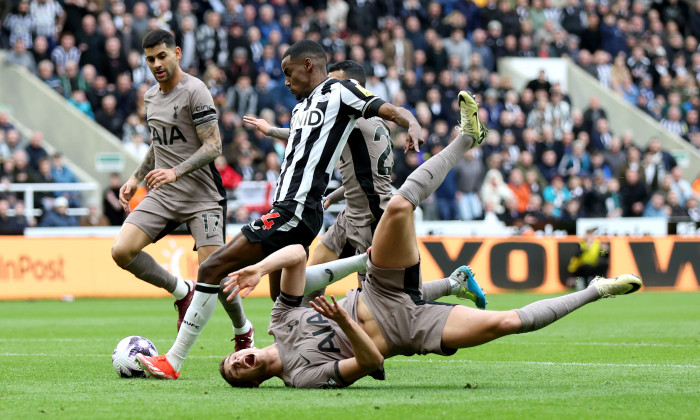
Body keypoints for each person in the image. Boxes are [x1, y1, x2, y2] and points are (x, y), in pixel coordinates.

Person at [205, 93, 641, 389]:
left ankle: (468, 136)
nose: (240, 362)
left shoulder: (279, 322)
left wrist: (261, 268)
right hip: (407, 332)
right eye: (238, 372)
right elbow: (373, 365)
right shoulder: (302, 377)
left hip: (379, 290)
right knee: (508, 323)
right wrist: (341, 321)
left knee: (397, 208)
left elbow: (298, 254)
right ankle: (596, 290)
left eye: (232, 360)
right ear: (254, 381)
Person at [135, 39, 424, 379]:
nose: (286, 82)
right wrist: (270, 130)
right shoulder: (301, 109)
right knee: (285, 300)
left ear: (309, 65)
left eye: (289, 73)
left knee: (212, 267)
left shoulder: (341, 91)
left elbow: (389, 109)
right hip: (291, 208)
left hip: (296, 209)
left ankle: (173, 360)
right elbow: (305, 142)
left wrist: (413, 124)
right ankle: (345, 306)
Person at [110, 30, 246, 340]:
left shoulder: (195, 90)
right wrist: (135, 177)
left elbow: (214, 146)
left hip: (202, 195)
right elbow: (159, 144)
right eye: (150, 59)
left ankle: (242, 329)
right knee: (121, 251)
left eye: (162, 56)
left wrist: (175, 171)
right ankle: (181, 290)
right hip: (165, 194)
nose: (156, 64)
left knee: (214, 273)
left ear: (177, 53)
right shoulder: (150, 97)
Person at [243, 60, 394, 301]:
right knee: (313, 274)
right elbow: (362, 176)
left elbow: (307, 133)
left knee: (378, 298)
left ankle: (450, 284)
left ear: (352, 85)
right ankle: (304, 330)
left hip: (371, 213)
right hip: (352, 210)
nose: (329, 87)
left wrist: (272, 131)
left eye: (334, 81)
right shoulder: (375, 121)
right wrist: (333, 196)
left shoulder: (350, 116)